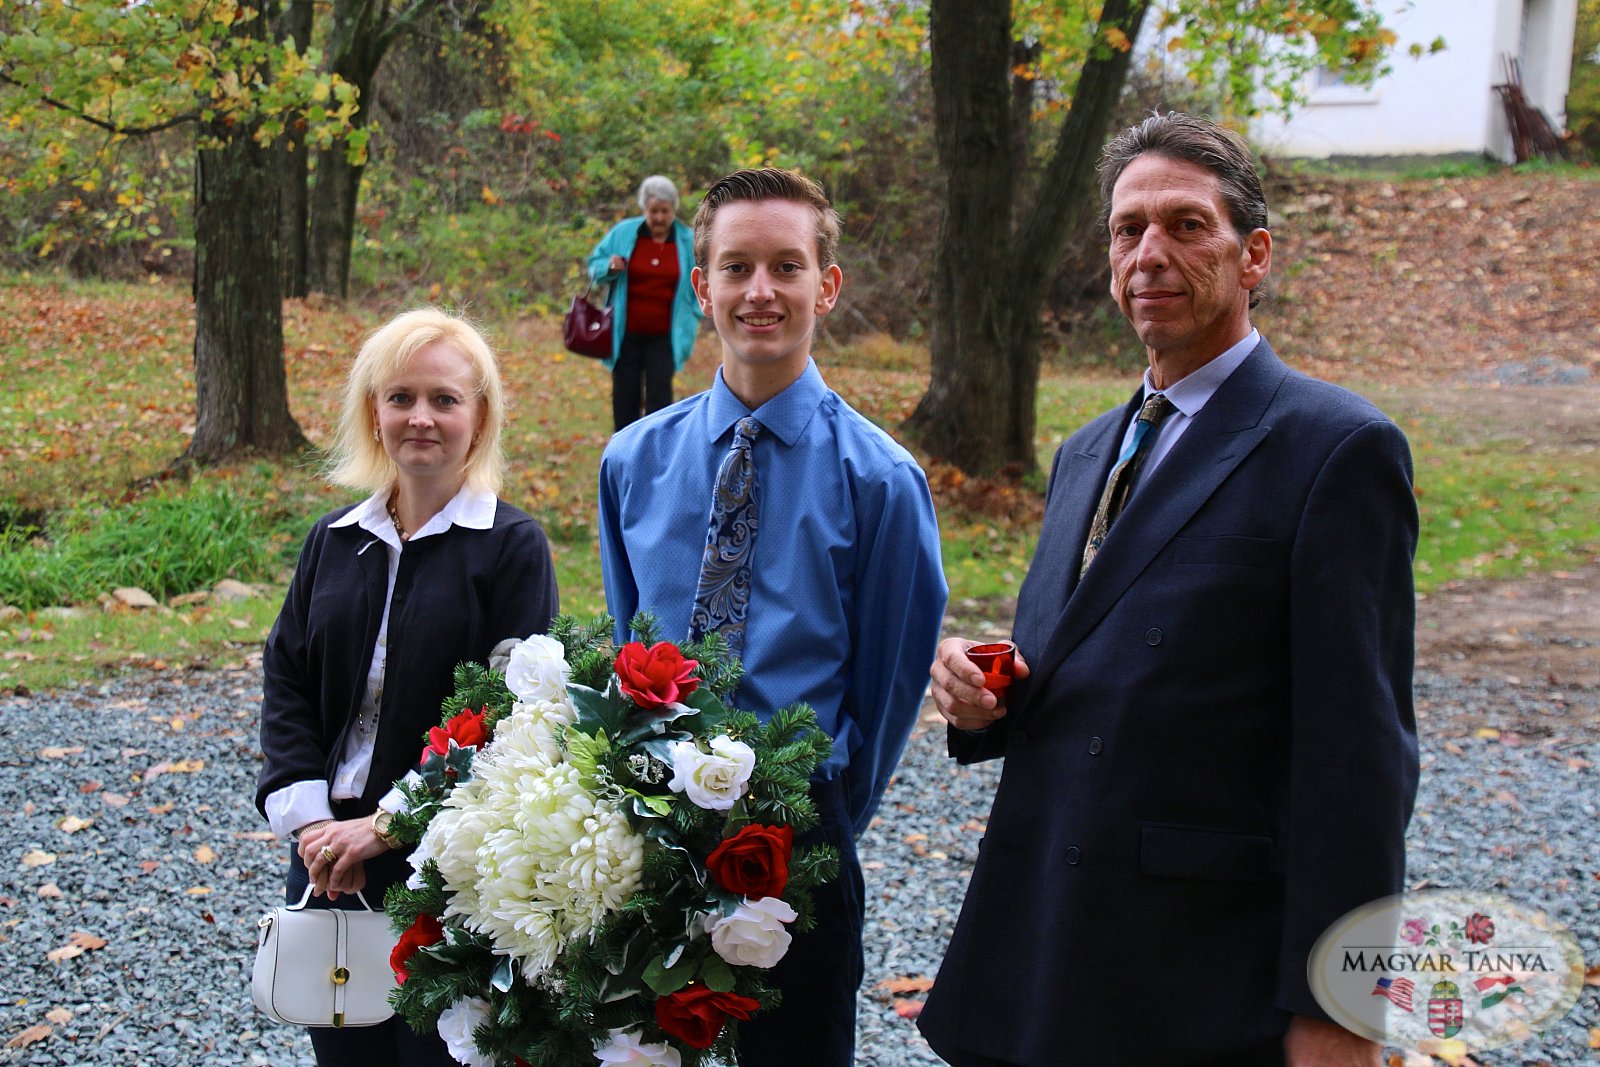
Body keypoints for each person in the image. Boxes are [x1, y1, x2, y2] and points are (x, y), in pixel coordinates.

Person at [916, 112, 1420, 1067]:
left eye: (1186, 225)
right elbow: (1077, 661)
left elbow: (1358, 763)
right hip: (1040, 939)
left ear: (1253, 253)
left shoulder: (1335, 449)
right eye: (1126, 228)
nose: (1149, 252)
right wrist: (978, 694)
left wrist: (1338, 1007)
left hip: (1193, 974)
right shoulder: (1085, 450)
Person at [597, 168, 948, 1066]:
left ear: (825, 285)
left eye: (786, 267)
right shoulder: (634, 462)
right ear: (700, 282)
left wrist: (820, 811)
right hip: (649, 821)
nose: (760, 291)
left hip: (797, 833)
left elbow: (890, 682)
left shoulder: (881, 481)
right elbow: (627, 640)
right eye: (736, 267)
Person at [256, 308, 559, 1065]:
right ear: (374, 410)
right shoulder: (333, 540)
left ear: (479, 415)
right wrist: (311, 823)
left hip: (445, 860)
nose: (421, 417)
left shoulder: (512, 547)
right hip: (328, 850)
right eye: (401, 397)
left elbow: (506, 714)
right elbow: (286, 677)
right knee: (345, 1047)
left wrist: (389, 825)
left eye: (445, 399)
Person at [587, 174, 705, 431]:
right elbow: (594, 266)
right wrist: (609, 266)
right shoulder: (624, 232)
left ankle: (656, 452)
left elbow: (704, 279)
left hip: (665, 337)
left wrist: (695, 313)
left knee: (660, 401)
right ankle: (623, 450)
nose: (660, 218)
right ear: (644, 209)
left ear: (674, 209)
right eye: (654, 211)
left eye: (665, 211)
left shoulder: (687, 241)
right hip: (625, 334)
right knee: (624, 396)